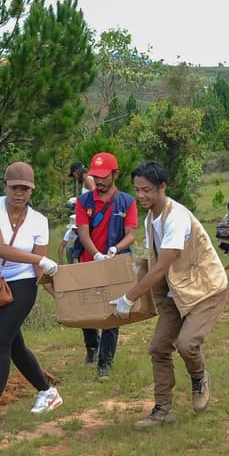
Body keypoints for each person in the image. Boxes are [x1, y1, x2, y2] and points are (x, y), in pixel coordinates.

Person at [110, 161, 229, 429]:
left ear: (163, 187)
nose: (141, 196)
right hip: (175, 292)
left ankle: (199, 378)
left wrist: (129, 298)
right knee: (159, 348)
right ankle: (163, 409)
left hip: (205, 289)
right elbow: (156, 263)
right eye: (138, 190)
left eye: (148, 190)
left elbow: (162, 266)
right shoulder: (150, 217)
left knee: (187, 344)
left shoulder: (176, 217)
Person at [0, 161, 63, 431]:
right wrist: (39, 258)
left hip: (23, 283)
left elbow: (37, 267)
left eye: (25, 189)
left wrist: (59, 294)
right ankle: (47, 391)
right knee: (13, 345)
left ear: (32, 191)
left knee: (0, 341)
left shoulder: (39, 221)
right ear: (5, 186)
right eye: (15, 188)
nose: (20, 194)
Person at [74, 152, 138, 381]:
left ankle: (105, 362)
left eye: (104, 176)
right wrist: (96, 254)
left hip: (116, 263)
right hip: (88, 262)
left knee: (113, 312)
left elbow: (131, 234)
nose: (99, 181)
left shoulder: (127, 202)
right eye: (96, 176)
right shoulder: (83, 202)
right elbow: (83, 232)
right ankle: (92, 346)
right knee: (87, 311)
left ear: (115, 174)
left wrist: (115, 249)